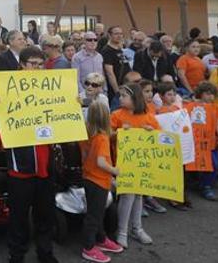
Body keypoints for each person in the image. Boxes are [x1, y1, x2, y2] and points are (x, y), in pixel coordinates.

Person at [3, 47, 58, 263]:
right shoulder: (9, 90)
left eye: (40, 64)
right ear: (23, 65)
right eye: (33, 64)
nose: (37, 68)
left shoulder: (51, 89)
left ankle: (45, 253)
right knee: (18, 216)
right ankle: (16, 255)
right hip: (21, 167)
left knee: (46, 215)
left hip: (46, 164)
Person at [110, 83, 159, 248]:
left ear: (135, 98)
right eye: (120, 95)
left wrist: (151, 132)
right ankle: (123, 231)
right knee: (127, 194)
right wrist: (117, 133)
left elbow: (160, 138)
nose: (120, 98)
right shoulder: (116, 115)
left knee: (138, 195)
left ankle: (137, 229)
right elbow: (106, 135)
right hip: (122, 163)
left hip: (141, 164)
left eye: (124, 96)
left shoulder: (148, 116)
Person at [80, 100, 123, 263]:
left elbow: (85, 156)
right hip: (99, 181)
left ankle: (101, 238)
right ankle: (89, 247)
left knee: (96, 213)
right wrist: (114, 171)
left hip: (88, 178)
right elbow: (101, 162)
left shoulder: (87, 133)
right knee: (94, 216)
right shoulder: (102, 138)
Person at [184, 82, 218, 200]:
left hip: (211, 142)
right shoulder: (190, 106)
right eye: (208, 94)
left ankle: (206, 186)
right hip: (195, 142)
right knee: (192, 163)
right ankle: (193, 183)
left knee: (213, 165)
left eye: (213, 94)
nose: (211, 97)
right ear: (201, 94)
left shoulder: (216, 107)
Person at [101, 26, 131, 108]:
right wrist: (117, 91)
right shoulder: (107, 51)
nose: (119, 36)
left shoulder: (120, 49)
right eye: (116, 34)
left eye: (121, 34)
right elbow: (110, 73)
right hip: (117, 90)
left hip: (126, 87)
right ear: (110, 35)